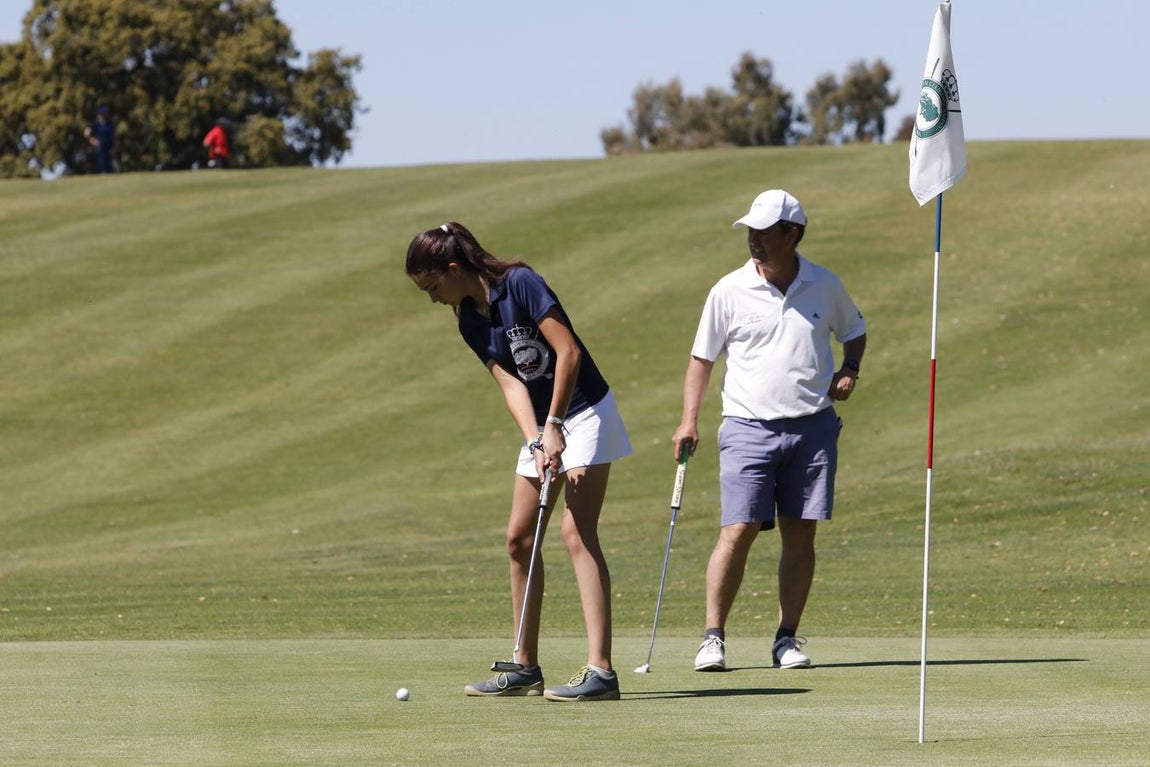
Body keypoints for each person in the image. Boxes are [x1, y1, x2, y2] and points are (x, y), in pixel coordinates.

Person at [406, 222, 632, 702]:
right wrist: (536, 440)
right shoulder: (469, 319)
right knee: (519, 538)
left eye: (433, 287)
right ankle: (525, 667)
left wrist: (554, 426)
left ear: (453, 268)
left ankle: (602, 672)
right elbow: (511, 385)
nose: (432, 299)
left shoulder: (520, 283)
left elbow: (568, 351)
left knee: (576, 532)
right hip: (544, 424)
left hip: (585, 411)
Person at [671, 189, 867, 672]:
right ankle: (712, 637)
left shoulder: (824, 284)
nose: (754, 240)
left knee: (800, 536)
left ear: (792, 234)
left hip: (813, 428)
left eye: (764, 232)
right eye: (750, 232)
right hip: (747, 427)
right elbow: (702, 359)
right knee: (736, 531)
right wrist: (688, 419)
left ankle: (786, 639)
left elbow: (855, 330)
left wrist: (850, 369)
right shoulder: (728, 290)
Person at [84, 106, 115, 174]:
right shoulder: (95, 124)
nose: (104, 115)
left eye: (105, 113)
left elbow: (112, 137)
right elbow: (86, 133)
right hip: (100, 148)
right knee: (102, 167)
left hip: (108, 148)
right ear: (99, 115)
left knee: (110, 168)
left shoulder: (109, 124)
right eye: (102, 114)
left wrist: (112, 148)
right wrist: (92, 140)